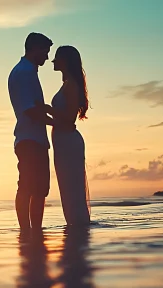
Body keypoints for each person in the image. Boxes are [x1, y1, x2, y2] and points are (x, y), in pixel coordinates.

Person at [8, 32, 55, 235]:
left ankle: (33, 230)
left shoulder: (27, 71)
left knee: (38, 189)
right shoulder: (25, 72)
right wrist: (57, 123)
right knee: (29, 186)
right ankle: (28, 230)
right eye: (45, 51)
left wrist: (47, 110)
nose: (47, 56)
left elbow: (33, 107)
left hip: (32, 138)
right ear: (34, 48)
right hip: (30, 140)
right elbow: (29, 110)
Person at [43, 45, 92, 226]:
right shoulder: (67, 84)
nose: (53, 61)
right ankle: (75, 227)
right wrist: (45, 117)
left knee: (72, 188)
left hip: (68, 142)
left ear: (66, 61)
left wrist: (46, 111)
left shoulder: (71, 85)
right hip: (63, 142)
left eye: (57, 58)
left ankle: (78, 227)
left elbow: (68, 120)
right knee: (67, 187)